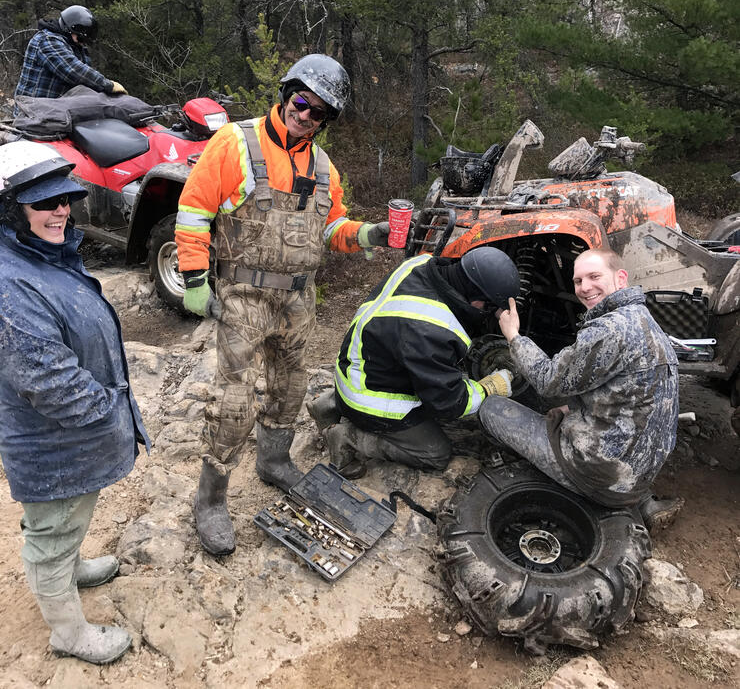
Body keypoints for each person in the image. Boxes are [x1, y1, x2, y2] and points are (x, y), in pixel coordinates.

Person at [175, 53, 391, 556]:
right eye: (302, 102)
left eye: (320, 113)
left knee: (291, 388)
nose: (307, 116)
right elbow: (193, 209)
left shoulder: (322, 166)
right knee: (232, 401)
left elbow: (333, 228)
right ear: (286, 92)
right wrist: (192, 277)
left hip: (298, 298)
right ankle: (210, 500)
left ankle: (273, 462)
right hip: (243, 295)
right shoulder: (233, 142)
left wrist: (370, 233)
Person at [0, 140, 150, 664]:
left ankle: (71, 566)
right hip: (53, 444)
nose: (61, 210)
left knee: (68, 516)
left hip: (73, 442)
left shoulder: (39, 254)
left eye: (64, 199)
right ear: (10, 211)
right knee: (50, 532)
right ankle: (68, 632)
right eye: (44, 203)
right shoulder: (10, 284)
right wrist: (109, 408)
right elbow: (49, 381)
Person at [479, 247, 682, 530]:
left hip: (599, 474)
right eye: (578, 281)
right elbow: (622, 393)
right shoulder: (644, 319)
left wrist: (513, 335)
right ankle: (641, 501)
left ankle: (594, 496)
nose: (585, 288)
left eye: (594, 276)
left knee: (491, 407)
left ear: (620, 278)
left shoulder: (609, 330)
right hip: (638, 470)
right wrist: (573, 407)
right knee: (560, 410)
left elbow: (548, 380)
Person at [307, 247, 520, 477]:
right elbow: (450, 403)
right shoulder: (431, 330)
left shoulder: (420, 264)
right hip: (369, 399)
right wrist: (489, 387)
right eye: (488, 308)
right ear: (477, 299)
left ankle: (330, 404)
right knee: (436, 454)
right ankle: (348, 438)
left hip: (355, 366)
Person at [15, 5, 126, 100]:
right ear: (69, 29)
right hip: (32, 112)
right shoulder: (47, 40)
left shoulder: (75, 45)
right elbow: (73, 70)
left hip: (56, 110)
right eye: (81, 39)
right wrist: (108, 85)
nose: (83, 44)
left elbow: (87, 81)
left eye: (86, 41)